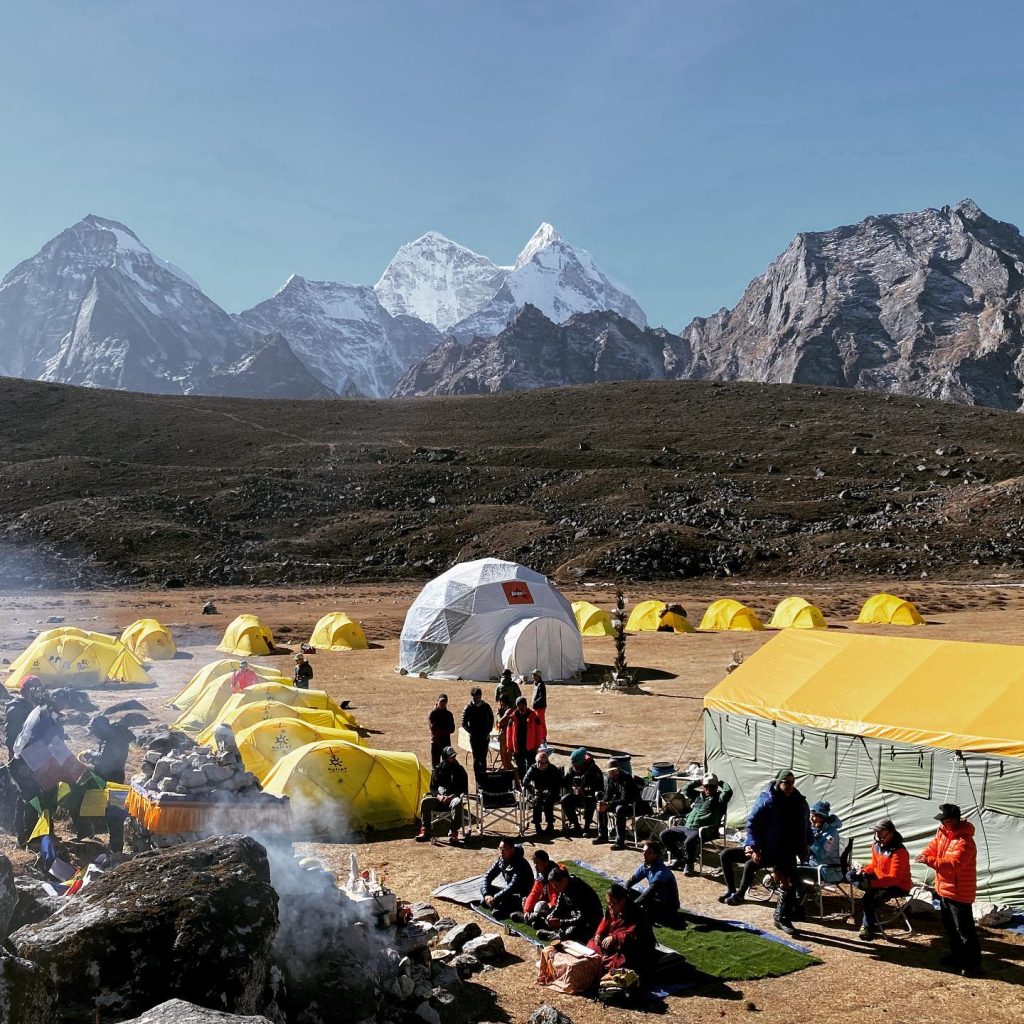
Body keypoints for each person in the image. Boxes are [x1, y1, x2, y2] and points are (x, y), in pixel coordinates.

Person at [722, 769, 810, 934]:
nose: (790, 786)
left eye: (792, 782)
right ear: (779, 782)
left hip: (789, 848)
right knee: (778, 878)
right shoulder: (767, 800)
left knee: (789, 882)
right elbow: (752, 824)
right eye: (787, 782)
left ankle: (782, 917)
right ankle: (737, 893)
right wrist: (754, 846)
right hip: (769, 848)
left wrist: (807, 843)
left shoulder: (799, 801)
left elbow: (806, 824)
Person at [917, 803, 982, 975]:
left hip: (960, 893)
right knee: (950, 928)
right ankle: (957, 956)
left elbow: (954, 865)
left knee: (964, 930)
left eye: (944, 821)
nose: (941, 824)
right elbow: (932, 847)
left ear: (952, 820)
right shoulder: (944, 835)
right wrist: (926, 855)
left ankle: (972, 964)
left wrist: (928, 860)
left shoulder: (965, 842)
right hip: (944, 889)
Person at [850, 817, 912, 941]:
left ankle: (868, 928)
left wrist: (872, 884)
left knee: (870, 896)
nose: (877, 834)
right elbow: (874, 865)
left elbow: (895, 879)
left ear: (890, 832)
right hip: (881, 881)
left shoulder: (899, 851)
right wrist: (862, 871)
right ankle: (869, 924)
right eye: (876, 831)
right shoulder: (876, 845)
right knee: (852, 876)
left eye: (880, 831)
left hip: (898, 886)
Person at [660, 772, 733, 876]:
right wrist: (698, 782)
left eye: (712, 786)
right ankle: (680, 858)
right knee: (664, 835)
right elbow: (685, 789)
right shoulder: (698, 796)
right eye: (706, 786)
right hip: (687, 827)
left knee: (689, 841)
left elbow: (728, 792)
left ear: (716, 787)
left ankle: (689, 864)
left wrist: (720, 783)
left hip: (704, 830)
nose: (708, 789)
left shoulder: (719, 799)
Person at [587, 882, 657, 975]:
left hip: (631, 949)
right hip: (613, 945)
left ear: (623, 901)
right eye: (608, 903)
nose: (610, 907)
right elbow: (605, 921)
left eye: (612, 903)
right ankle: (602, 959)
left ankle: (603, 961)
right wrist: (599, 933)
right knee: (592, 943)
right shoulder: (612, 909)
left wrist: (615, 938)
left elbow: (635, 937)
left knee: (620, 962)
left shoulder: (637, 914)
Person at [414, 746, 468, 844]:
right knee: (425, 802)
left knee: (457, 803)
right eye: (451, 757)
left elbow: (463, 789)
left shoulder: (460, 770)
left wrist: (451, 796)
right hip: (439, 800)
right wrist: (439, 796)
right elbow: (433, 788)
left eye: (454, 756)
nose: (453, 759)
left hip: (453, 799)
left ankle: (453, 834)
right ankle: (425, 830)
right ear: (445, 758)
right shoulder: (438, 769)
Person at [536, 865, 604, 943]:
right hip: (575, 914)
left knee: (571, 932)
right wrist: (552, 915)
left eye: (556, 886)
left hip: (589, 921)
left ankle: (556, 935)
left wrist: (561, 922)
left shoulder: (579, 890)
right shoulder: (563, 887)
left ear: (564, 880)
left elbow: (582, 917)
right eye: (554, 886)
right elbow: (560, 904)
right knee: (550, 914)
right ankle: (556, 929)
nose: (556, 889)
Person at [593, 757, 645, 851]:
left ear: (618, 770)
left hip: (633, 805)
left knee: (619, 809)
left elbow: (625, 799)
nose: (613, 773)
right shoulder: (610, 778)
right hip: (618, 803)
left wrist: (608, 803)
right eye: (611, 771)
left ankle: (620, 842)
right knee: (600, 806)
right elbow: (608, 793)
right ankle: (603, 835)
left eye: (614, 771)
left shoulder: (627, 778)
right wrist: (603, 803)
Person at [626, 839, 680, 923]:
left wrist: (633, 905)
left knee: (639, 901)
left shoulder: (661, 872)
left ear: (656, 855)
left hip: (667, 907)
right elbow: (630, 882)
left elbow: (650, 892)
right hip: (654, 899)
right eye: (643, 851)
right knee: (628, 892)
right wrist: (624, 892)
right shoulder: (645, 866)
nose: (644, 854)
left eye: (648, 852)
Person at [480, 838, 533, 918]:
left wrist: (495, 898)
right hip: (509, 893)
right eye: (500, 848)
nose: (501, 851)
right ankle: (494, 905)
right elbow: (487, 877)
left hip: (521, 895)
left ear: (512, 850)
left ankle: (496, 907)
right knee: (484, 888)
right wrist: (487, 895)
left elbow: (512, 886)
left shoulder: (520, 863)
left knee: (504, 900)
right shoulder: (501, 860)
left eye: (504, 849)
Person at [562, 747, 605, 836]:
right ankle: (575, 824)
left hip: (589, 796)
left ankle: (586, 827)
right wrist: (572, 788)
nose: (574, 766)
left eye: (576, 763)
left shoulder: (593, 769)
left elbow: (600, 786)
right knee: (565, 800)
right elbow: (565, 782)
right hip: (575, 795)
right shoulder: (572, 769)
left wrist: (585, 790)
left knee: (589, 800)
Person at [522, 747, 564, 837]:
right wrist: (533, 790)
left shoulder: (553, 769)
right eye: (541, 763)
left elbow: (560, 782)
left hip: (552, 793)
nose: (544, 765)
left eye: (546, 762)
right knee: (537, 801)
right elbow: (525, 781)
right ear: (536, 763)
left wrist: (551, 790)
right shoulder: (533, 769)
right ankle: (537, 825)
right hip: (537, 793)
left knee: (548, 802)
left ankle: (550, 825)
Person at [512, 849, 555, 926]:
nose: (535, 866)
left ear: (545, 863)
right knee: (525, 900)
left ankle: (530, 919)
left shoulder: (555, 874)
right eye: (534, 863)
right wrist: (527, 910)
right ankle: (532, 918)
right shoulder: (541, 874)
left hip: (555, 905)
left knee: (540, 905)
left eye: (538, 863)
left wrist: (550, 905)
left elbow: (555, 896)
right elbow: (535, 892)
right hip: (547, 900)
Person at [461, 687, 494, 783]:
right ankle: (477, 779)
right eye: (475, 697)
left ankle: (483, 777)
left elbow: (491, 720)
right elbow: (464, 723)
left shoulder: (486, 707)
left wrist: (488, 731)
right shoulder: (468, 708)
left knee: (483, 758)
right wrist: (471, 731)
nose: (476, 698)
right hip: (474, 737)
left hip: (484, 736)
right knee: (476, 758)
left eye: (478, 696)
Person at [506, 696, 543, 781]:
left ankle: (532, 783)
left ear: (526, 705)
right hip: (518, 748)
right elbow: (509, 733)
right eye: (519, 707)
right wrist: (510, 748)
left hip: (531, 748)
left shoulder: (534, 716)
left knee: (532, 767)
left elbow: (539, 732)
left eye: (523, 706)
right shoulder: (513, 717)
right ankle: (523, 784)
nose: (521, 709)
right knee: (520, 768)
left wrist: (537, 746)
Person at [427, 694, 455, 768]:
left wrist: (440, 728)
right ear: (437, 701)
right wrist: (445, 728)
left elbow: (452, 729)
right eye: (441, 701)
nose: (443, 703)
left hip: (446, 743)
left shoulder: (449, 714)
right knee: (435, 766)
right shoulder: (432, 714)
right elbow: (433, 728)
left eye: (445, 701)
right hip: (435, 743)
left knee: (447, 765)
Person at [495, 695, 514, 770]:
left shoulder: (509, 710)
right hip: (504, 735)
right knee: (504, 758)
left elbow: (500, 722)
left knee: (506, 760)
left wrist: (498, 714)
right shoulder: (505, 709)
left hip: (507, 737)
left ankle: (512, 776)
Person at [530, 670, 548, 743]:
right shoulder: (536, 684)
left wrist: (535, 703)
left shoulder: (541, 685)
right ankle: (539, 736)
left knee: (541, 722)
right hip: (536, 707)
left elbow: (542, 697)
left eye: (534, 675)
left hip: (540, 707)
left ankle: (543, 737)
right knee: (537, 722)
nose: (533, 676)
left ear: (538, 676)